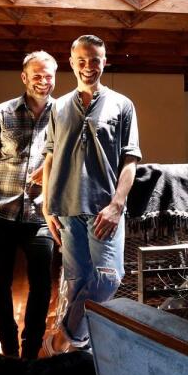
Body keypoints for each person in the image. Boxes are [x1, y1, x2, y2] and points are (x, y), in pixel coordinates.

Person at [41, 35, 140, 353]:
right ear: (71, 63)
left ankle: (62, 339)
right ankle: (79, 360)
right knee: (77, 284)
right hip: (66, 209)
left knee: (110, 277)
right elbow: (50, 156)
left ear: (104, 61)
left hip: (104, 210)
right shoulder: (57, 107)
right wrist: (46, 205)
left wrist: (117, 204)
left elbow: (131, 160)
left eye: (95, 60)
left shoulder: (122, 105)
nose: (88, 66)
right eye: (81, 60)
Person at [0, 51, 58, 360]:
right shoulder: (2, 112)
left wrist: (50, 170)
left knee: (42, 283)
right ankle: (8, 348)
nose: (44, 81)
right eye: (37, 76)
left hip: (41, 215)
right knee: (0, 281)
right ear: (24, 77)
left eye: (49, 76)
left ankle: (30, 351)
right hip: (2, 212)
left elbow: (72, 159)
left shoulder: (64, 115)